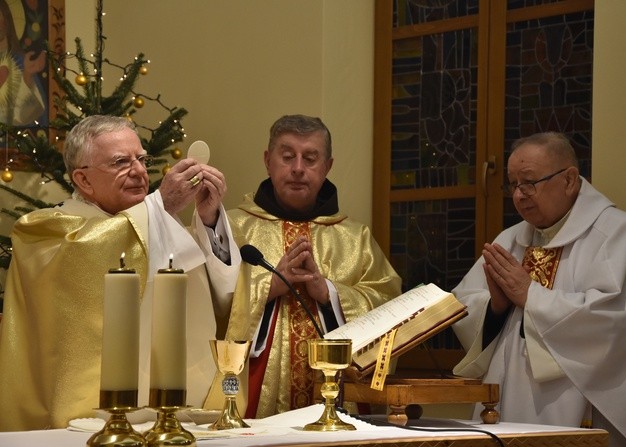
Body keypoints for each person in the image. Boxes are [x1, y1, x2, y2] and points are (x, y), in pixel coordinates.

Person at [0, 115, 241, 430]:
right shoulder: (44, 232)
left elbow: (220, 301)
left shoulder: (159, 226)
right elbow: (88, 257)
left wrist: (208, 221)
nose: (140, 171)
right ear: (83, 180)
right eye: (120, 162)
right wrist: (160, 206)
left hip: (172, 413)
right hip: (86, 419)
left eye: (141, 159)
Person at [451, 132, 626, 447]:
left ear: (569, 179)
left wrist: (530, 295)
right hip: (506, 402)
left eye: (529, 182)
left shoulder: (620, 236)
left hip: (580, 406)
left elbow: (618, 326)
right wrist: (495, 310)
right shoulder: (509, 240)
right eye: (513, 185)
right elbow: (466, 307)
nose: (519, 195)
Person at [210, 114, 402, 418]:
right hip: (253, 404)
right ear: (267, 161)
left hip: (341, 407)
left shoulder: (356, 237)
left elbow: (389, 307)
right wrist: (271, 286)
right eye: (287, 157)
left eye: (310, 158)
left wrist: (327, 293)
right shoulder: (232, 228)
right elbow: (205, 301)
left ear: (327, 167)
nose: (298, 168)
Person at [0, 0, 48, 126]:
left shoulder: (21, 62)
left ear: (7, 21)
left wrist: (27, 75)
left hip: (17, 142)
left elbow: (35, 114)